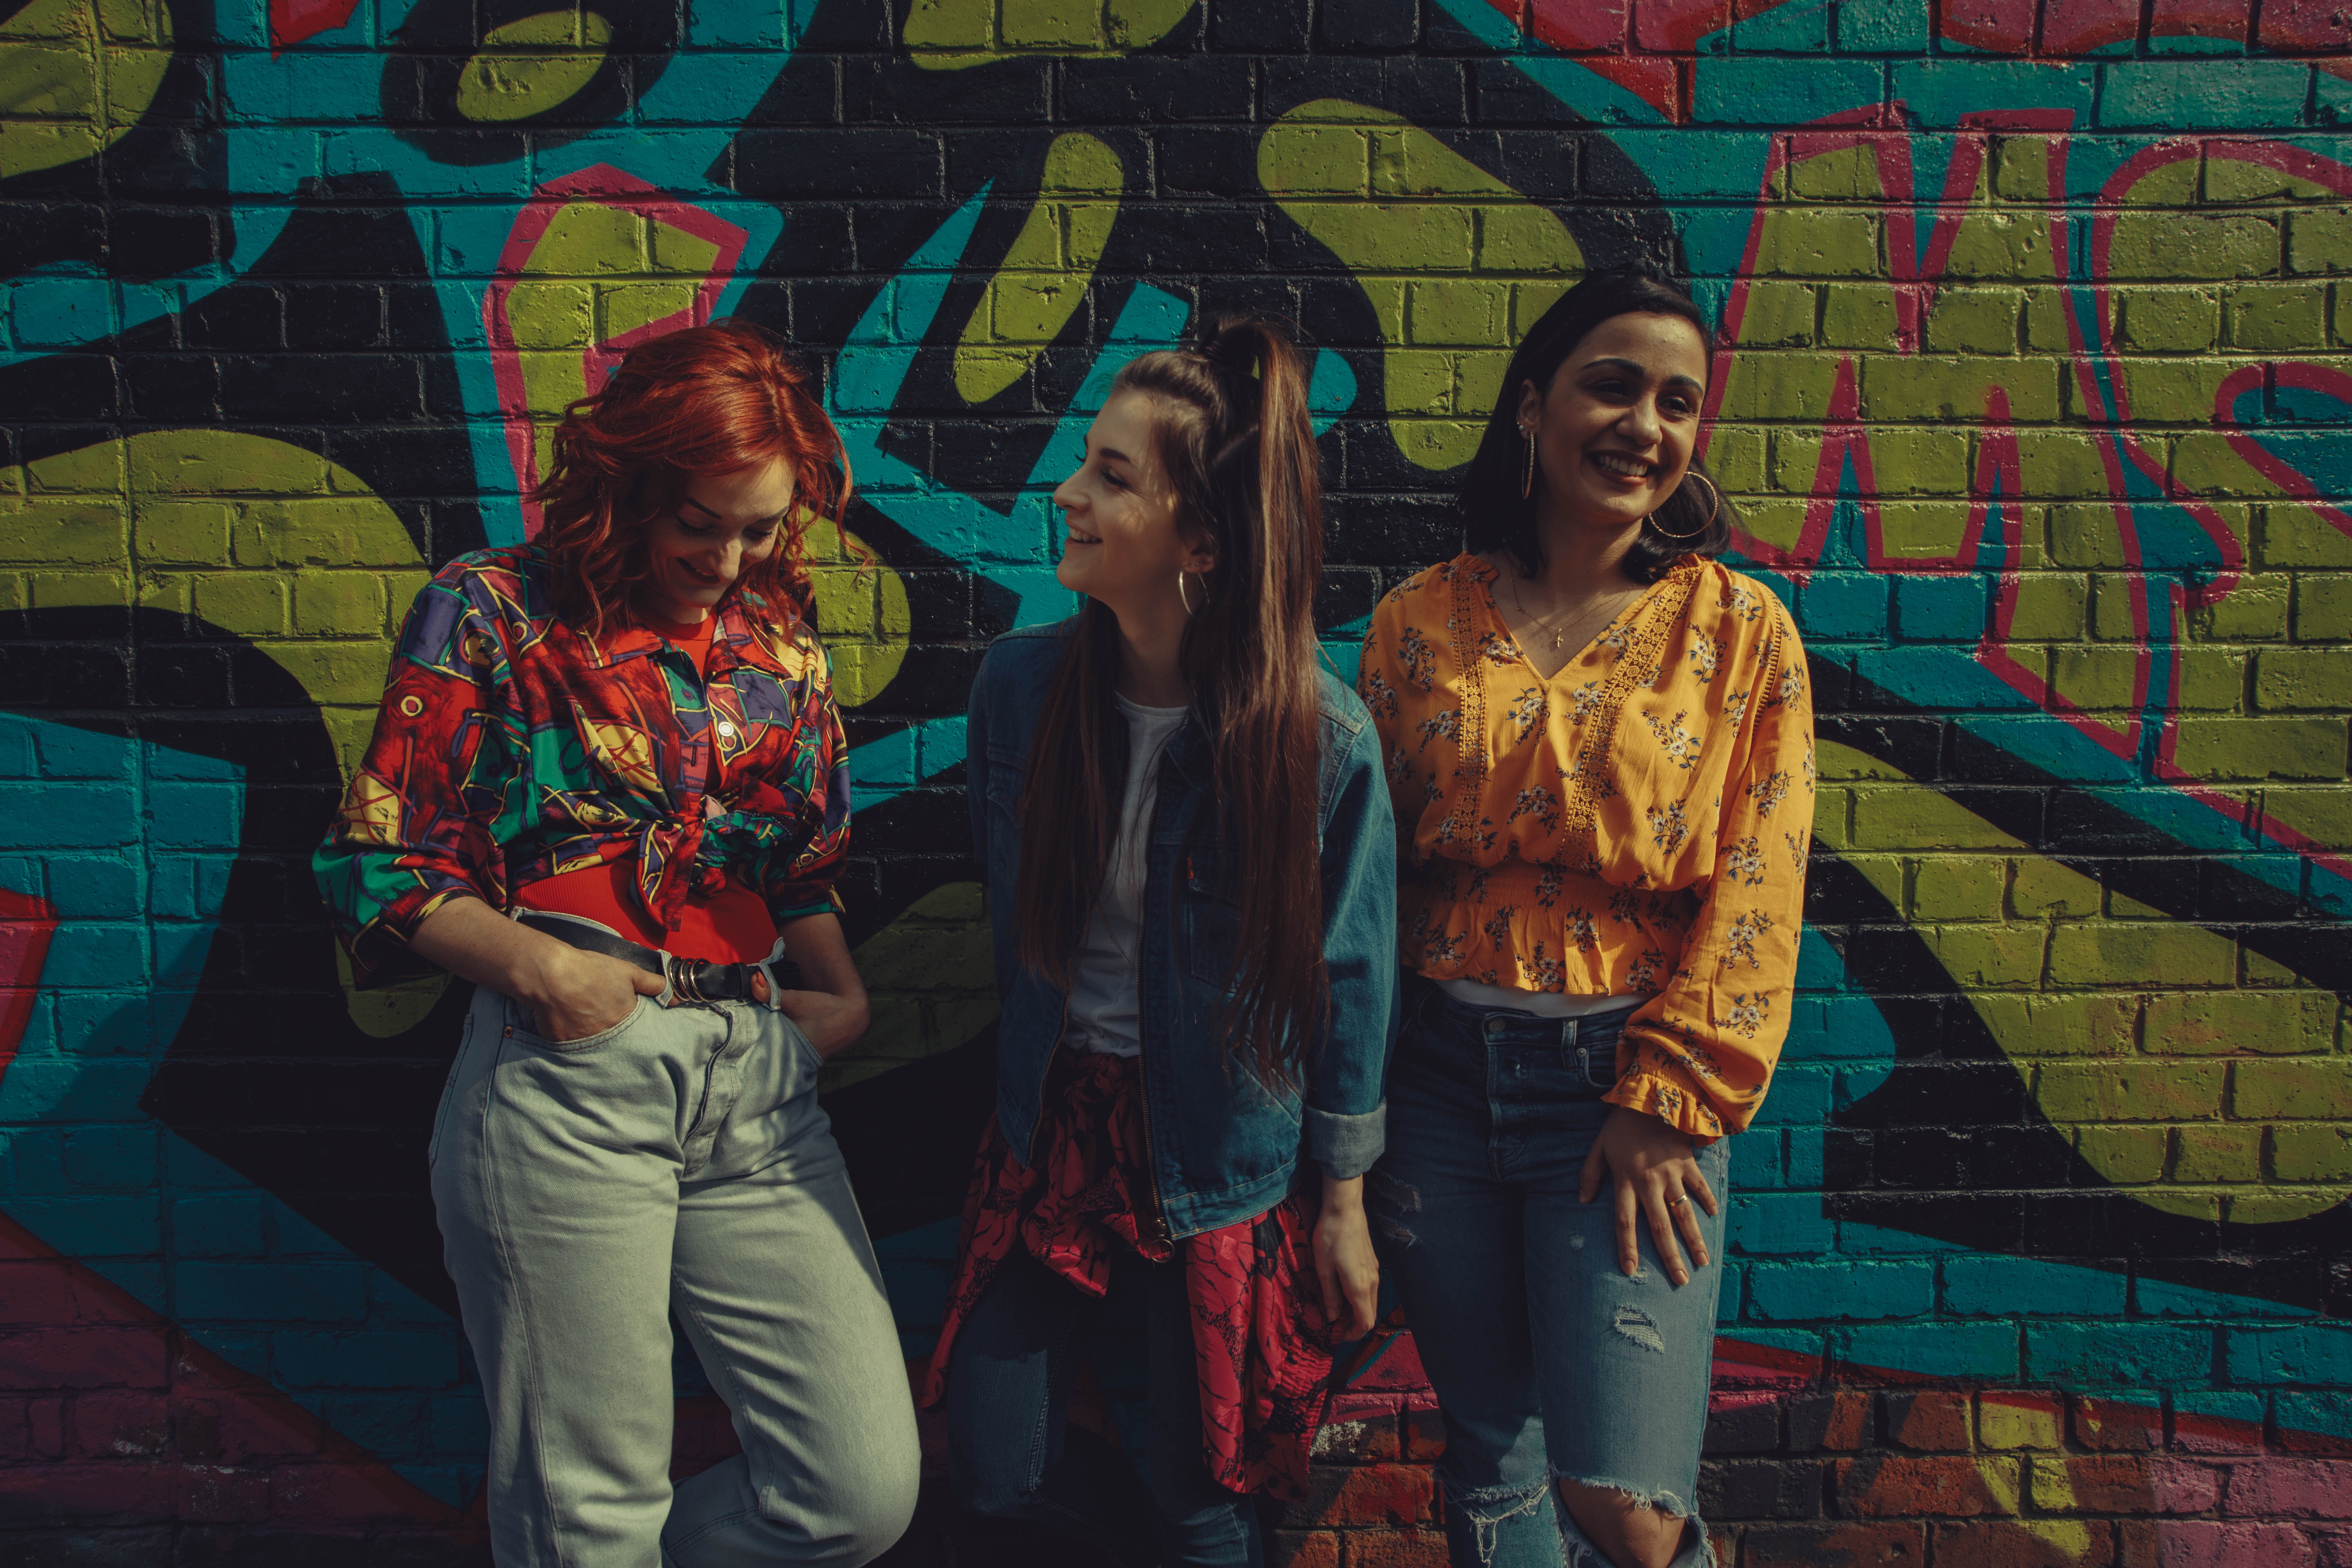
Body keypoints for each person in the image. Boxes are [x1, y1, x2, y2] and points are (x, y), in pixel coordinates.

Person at [313, 320, 918, 1568]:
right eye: (704, 522)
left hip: (756, 1081)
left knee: (855, 1493)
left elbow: (794, 857)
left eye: (761, 528)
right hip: (570, 1078)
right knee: (590, 1512)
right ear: (630, 484)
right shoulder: (488, 612)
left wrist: (842, 994)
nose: (731, 556)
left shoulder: (779, 642)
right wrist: (549, 973)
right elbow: (381, 858)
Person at [922, 318, 1398, 1568]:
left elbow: (1349, 979)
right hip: (1050, 1130)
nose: (1066, 494)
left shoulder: (1319, 743)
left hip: (1220, 1161)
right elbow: (1002, 890)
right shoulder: (1017, 692)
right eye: (1087, 462)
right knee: (991, 1465)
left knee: (1201, 1505)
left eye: (1112, 476)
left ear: (1202, 541)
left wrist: (1341, 1202)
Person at [1358, 268, 1814, 1568]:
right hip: (1434, 1086)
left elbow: (1759, 882)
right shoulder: (1415, 622)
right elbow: (1366, 882)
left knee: (1623, 1500)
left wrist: (1667, 1094)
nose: (1645, 425)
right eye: (1611, 384)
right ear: (1529, 407)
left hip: (1622, 1088)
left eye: (1678, 402)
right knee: (1490, 1459)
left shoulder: (1736, 633)